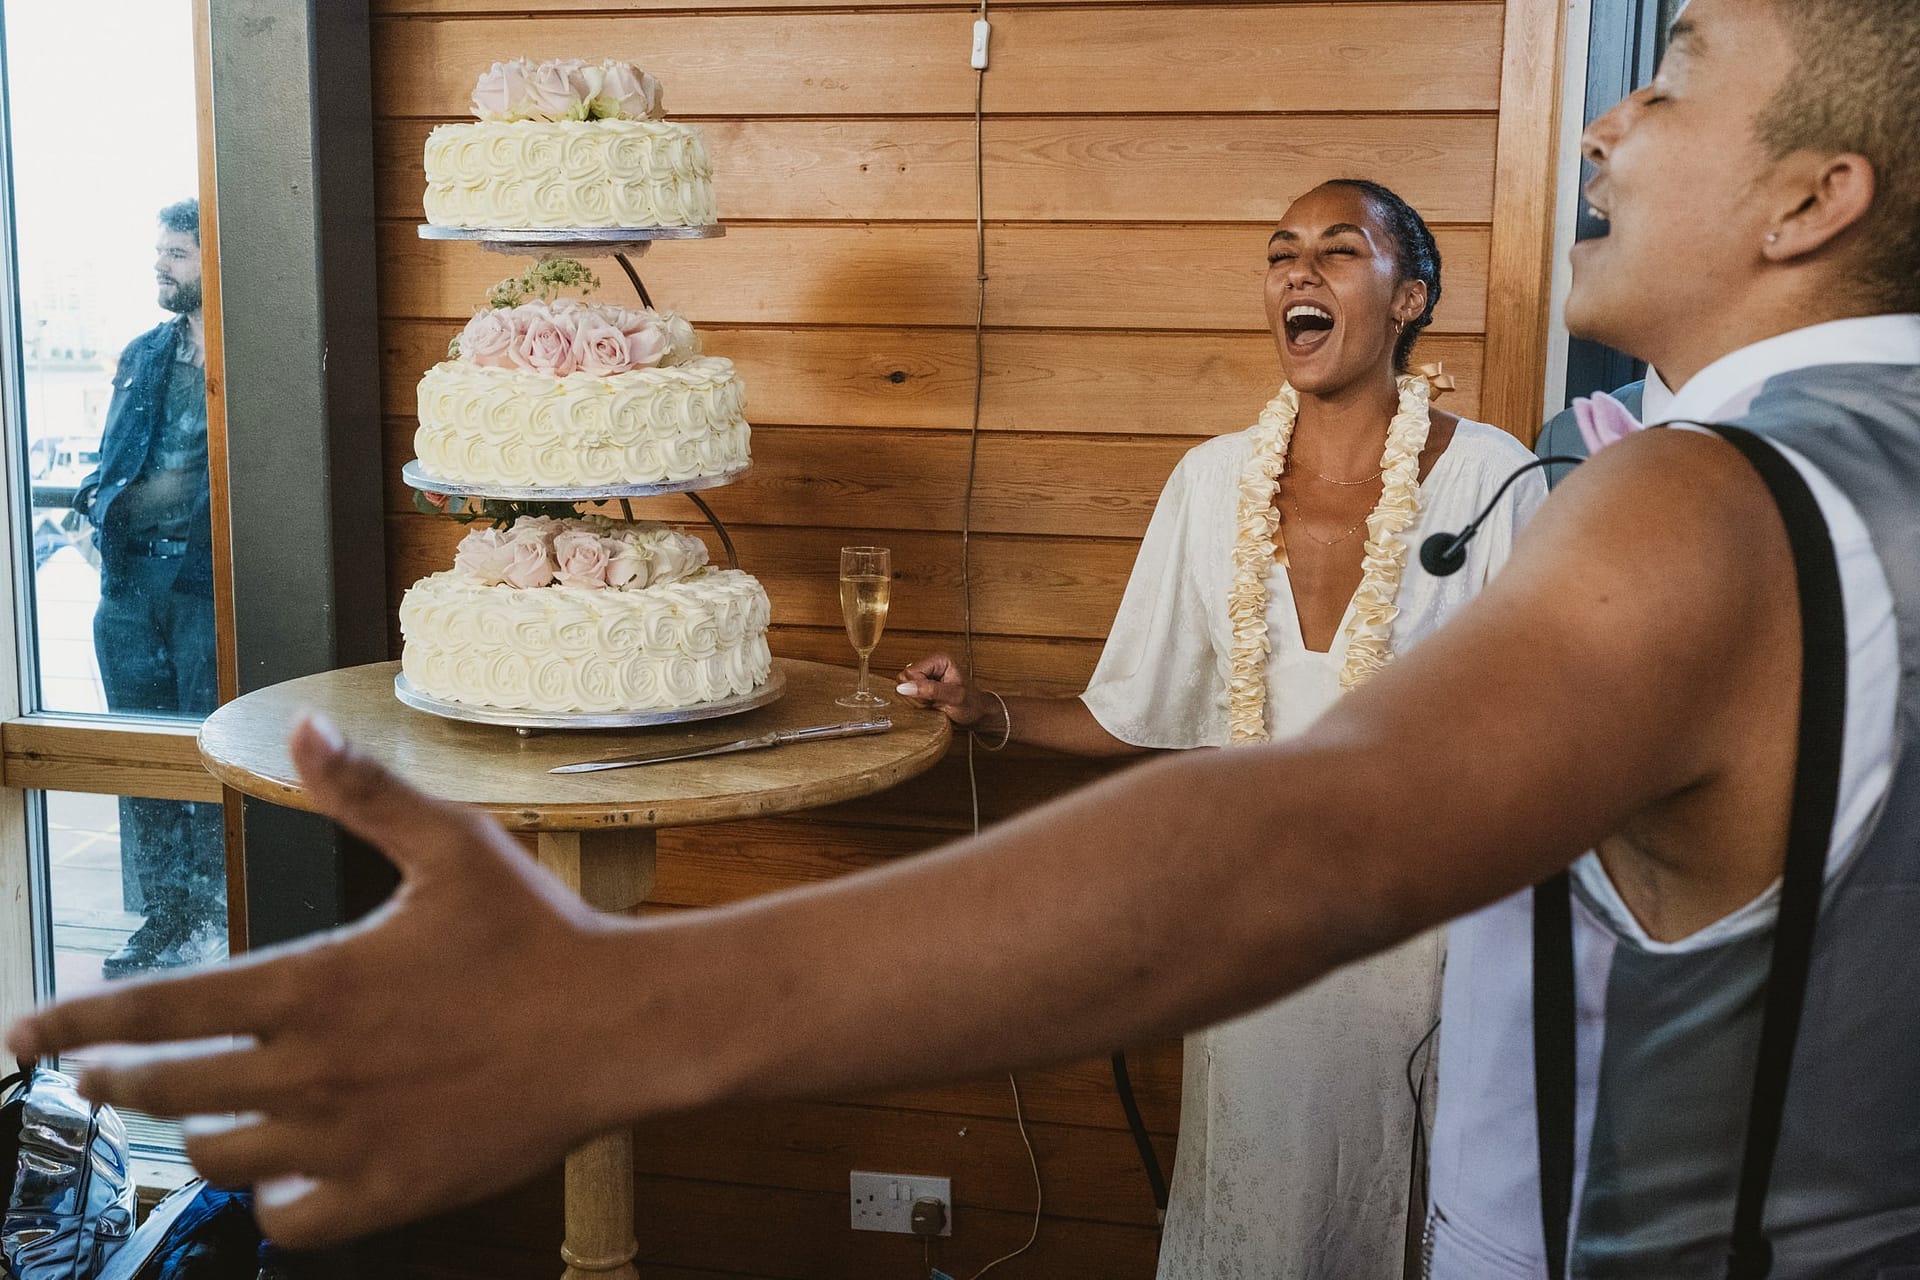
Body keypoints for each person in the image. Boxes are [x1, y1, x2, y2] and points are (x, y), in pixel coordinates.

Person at [11, 0, 1920, 1271]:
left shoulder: (1688, 498)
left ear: (1816, 196)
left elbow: (1295, 833)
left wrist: (622, 1007)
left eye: (1671, 75)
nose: (1608, 111)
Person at [898, 178, 1543, 1280]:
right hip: (1257, 932)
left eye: (1339, 252)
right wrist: (983, 709)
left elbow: (1545, 731)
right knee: (1267, 1221)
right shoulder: (1210, 485)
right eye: (1282, 252)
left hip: (1440, 934)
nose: (1300, 271)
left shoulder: (1495, 481)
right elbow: (1141, 706)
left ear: (1409, 299)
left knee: (1426, 1215)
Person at [73, 199, 224, 978]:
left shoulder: (243, 360)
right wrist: (92, 515)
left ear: (212, 259)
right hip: (130, 588)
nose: (158, 265)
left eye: (175, 253)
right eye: (158, 252)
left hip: (203, 584)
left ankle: (220, 914)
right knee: (138, 755)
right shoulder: (141, 352)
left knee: (206, 753)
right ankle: (163, 918)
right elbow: (111, 462)